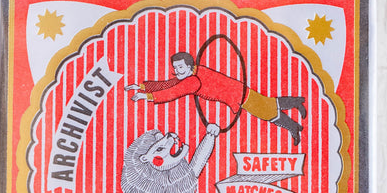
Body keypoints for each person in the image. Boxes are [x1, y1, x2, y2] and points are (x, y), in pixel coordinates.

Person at [125, 51, 306, 145]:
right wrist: (142, 86)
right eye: (175, 67)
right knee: (268, 105)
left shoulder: (193, 81)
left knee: (267, 111)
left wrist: (146, 97)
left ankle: (294, 122)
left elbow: (173, 92)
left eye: (180, 67)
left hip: (241, 96)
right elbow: (169, 84)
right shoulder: (193, 73)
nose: (177, 71)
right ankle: (296, 114)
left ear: (189, 66)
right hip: (240, 92)